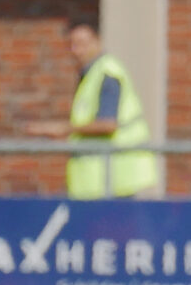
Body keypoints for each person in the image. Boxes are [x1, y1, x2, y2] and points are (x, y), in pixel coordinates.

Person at [26, 20, 157, 199]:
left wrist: (64, 128)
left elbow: (108, 124)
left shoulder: (106, 73)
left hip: (114, 174)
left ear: (98, 41)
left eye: (82, 44)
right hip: (99, 177)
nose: (76, 51)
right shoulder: (92, 73)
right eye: (72, 45)